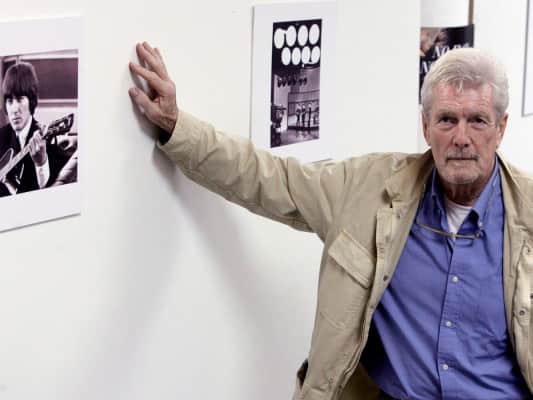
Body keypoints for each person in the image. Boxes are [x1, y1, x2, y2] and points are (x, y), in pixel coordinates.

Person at [128, 42, 533, 399]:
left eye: (477, 120)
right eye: (446, 119)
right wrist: (177, 126)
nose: (461, 137)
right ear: (426, 127)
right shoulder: (369, 190)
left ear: (500, 128)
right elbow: (269, 179)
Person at [0, 62, 68, 196]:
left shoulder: (48, 140)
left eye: (20, 99)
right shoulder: (1, 136)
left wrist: (41, 163)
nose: (14, 109)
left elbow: (53, 193)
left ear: (31, 101)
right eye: (10, 101)